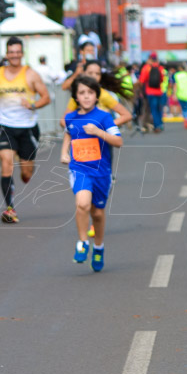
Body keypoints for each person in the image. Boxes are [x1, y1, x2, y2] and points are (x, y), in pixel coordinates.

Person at [0, 37, 51, 224]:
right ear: (7, 54)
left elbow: (46, 97)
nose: (15, 55)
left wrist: (33, 104)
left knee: (26, 173)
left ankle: (24, 171)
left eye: (18, 52)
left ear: (22, 53)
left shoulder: (31, 74)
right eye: (11, 52)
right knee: (6, 163)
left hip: (27, 128)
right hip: (6, 127)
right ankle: (10, 209)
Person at [61, 74, 122, 272]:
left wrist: (98, 132)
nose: (86, 96)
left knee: (97, 213)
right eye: (82, 93)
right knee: (82, 204)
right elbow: (69, 134)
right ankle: (82, 242)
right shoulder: (70, 117)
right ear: (75, 97)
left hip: (101, 172)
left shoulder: (104, 117)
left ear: (96, 96)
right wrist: (64, 153)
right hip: (79, 169)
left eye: (90, 93)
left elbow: (118, 142)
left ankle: (98, 246)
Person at [137, 53, 167, 133]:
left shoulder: (146, 68)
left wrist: (141, 91)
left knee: (153, 109)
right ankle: (160, 124)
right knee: (158, 108)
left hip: (150, 92)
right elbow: (162, 79)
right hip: (159, 91)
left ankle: (156, 125)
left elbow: (141, 81)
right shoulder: (160, 68)